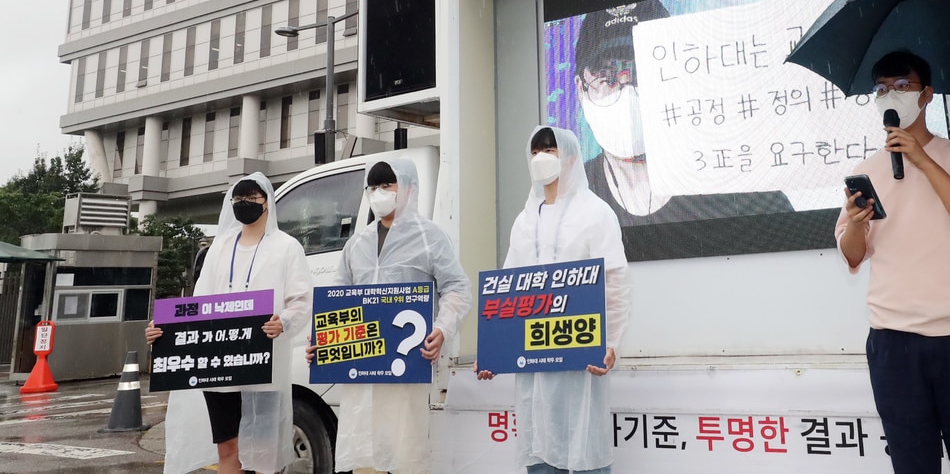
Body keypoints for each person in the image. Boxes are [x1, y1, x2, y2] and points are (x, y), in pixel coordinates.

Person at [835, 51, 950, 474]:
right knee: (912, 466)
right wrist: (856, 225)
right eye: (881, 88)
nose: (890, 95)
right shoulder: (866, 169)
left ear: (927, 95)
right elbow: (852, 253)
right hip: (893, 343)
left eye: (902, 85)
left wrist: (923, 161)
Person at [477, 125, 631, 474]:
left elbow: (617, 286)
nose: (541, 158)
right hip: (533, 371)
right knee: (540, 452)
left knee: (582, 451)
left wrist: (611, 344)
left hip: (580, 364)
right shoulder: (524, 221)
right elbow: (506, 290)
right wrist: (492, 350)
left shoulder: (596, 213)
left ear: (572, 157)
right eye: (535, 151)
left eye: (551, 150)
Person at [574, 0, 791, 227]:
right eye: (606, 77)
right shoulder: (569, 201)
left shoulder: (741, 191)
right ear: (581, 89)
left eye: (644, 72)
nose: (626, 91)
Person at [149, 174, 313, 474]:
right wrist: (164, 327)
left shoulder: (287, 247)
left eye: (252, 198)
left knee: (265, 453)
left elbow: (301, 300)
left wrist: (285, 322)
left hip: (263, 360)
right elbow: (198, 303)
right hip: (220, 364)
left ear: (267, 203)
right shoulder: (221, 247)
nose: (244, 204)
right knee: (227, 448)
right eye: (238, 199)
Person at [327, 158, 473, 474]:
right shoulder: (357, 244)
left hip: (407, 366)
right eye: (374, 187)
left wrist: (443, 329)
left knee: (406, 455)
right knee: (365, 457)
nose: (380, 193)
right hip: (363, 369)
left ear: (407, 187)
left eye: (387, 185)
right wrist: (322, 341)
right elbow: (336, 301)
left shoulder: (430, 237)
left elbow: (458, 288)